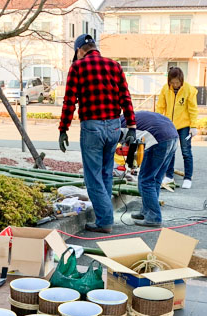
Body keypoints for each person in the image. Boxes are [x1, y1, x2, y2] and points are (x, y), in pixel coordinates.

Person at [59, 34, 136, 234]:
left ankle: (105, 221)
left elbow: (70, 101)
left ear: (79, 51)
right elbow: (125, 97)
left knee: (93, 177)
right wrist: (132, 126)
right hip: (113, 127)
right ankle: (105, 216)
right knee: (105, 174)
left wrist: (63, 129)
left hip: (92, 127)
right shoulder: (114, 66)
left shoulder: (78, 67)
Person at [120, 111, 179, 227]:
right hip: (173, 137)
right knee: (155, 179)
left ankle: (153, 217)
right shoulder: (129, 118)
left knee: (146, 180)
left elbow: (120, 147)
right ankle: (146, 212)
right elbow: (133, 146)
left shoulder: (119, 126)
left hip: (159, 139)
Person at [156, 67, 198, 189]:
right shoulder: (165, 89)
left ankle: (188, 178)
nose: (175, 85)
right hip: (169, 125)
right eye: (172, 82)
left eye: (177, 82)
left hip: (184, 126)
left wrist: (193, 126)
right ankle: (169, 176)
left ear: (181, 80)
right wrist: (158, 122)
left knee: (186, 152)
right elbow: (160, 107)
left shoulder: (189, 90)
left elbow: (193, 109)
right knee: (170, 151)